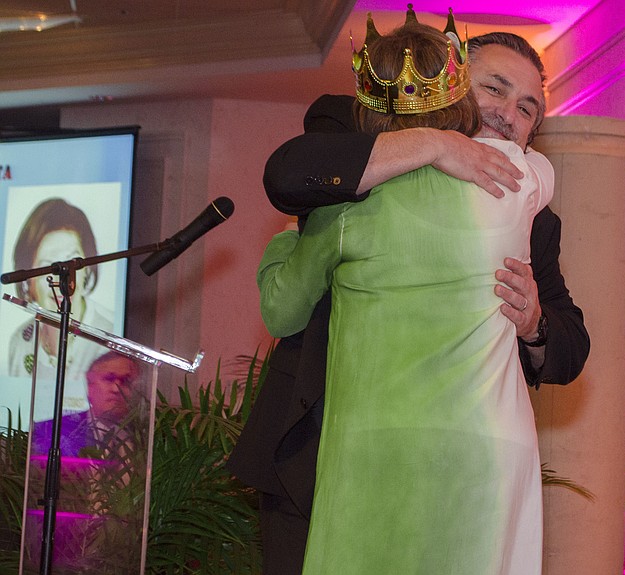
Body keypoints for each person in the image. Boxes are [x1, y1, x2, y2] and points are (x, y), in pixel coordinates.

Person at [228, 21, 591, 575]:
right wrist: (436, 143)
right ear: (447, 78)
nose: (507, 115)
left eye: (527, 109)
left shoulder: (533, 217)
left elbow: (572, 346)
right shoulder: (347, 126)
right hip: (318, 447)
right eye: (493, 89)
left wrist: (535, 323)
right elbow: (287, 173)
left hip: (455, 465)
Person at [7, 198, 113, 383]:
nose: (62, 276)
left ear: (87, 269)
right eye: (48, 266)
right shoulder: (20, 341)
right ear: (28, 279)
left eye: (72, 262)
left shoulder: (109, 337)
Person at [30, 350, 142, 457]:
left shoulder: (147, 437)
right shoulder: (49, 431)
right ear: (90, 385)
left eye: (126, 381)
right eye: (109, 379)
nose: (116, 389)